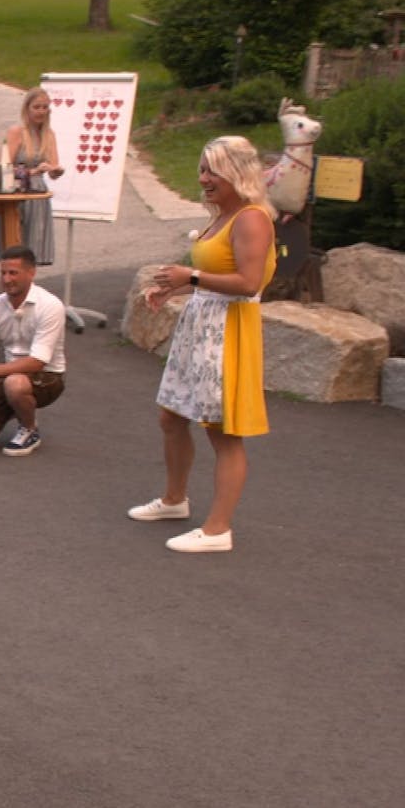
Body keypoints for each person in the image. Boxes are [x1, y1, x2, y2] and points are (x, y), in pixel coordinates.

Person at [130, 136, 275, 554]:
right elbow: (211, 275)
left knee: (223, 432)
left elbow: (249, 283)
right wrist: (173, 291)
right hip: (203, 324)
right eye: (202, 169)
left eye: (212, 170)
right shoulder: (223, 216)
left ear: (237, 173)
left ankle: (218, 529)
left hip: (229, 331)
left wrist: (189, 277)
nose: (204, 178)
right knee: (171, 417)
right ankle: (175, 500)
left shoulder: (251, 219)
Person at [0, 245, 67, 456]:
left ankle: (29, 428)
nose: (7, 279)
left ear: (31, 273)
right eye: (3, 273)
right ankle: (15, 407)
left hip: (47, 377)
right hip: (7, 376)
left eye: (13, 273)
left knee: (15, 384)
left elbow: (38, 362)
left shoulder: (50, 305)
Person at [0, 87, 63, 266]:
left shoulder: (49, 135)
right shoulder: (17, 132)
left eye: (45, 107)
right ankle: (6, 293)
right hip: (16, 194)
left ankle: (27, 293)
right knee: (11, 258)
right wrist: (32, 172)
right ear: (27, 108)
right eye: (37, 107)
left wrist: (55, 170)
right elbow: (5, 168)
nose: (41, 111)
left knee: (29, 258)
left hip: (37, 196)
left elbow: (54, 168)